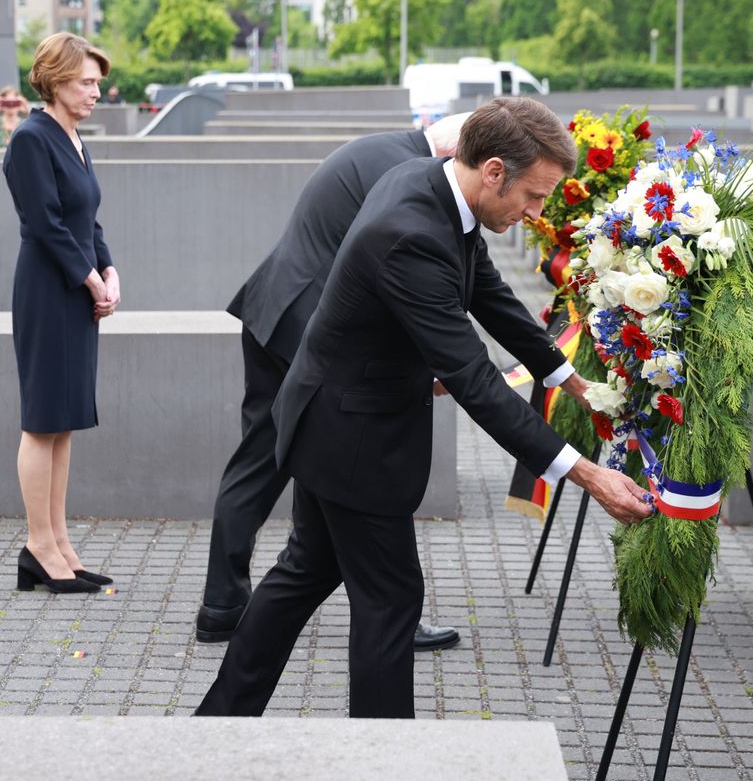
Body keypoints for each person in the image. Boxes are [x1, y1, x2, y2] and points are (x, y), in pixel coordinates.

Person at [196, 97, 653, 719]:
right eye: (534, 196)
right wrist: (588, 473)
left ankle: (220, 720)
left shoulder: (434, 186)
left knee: (304, 571)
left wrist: (566, 376)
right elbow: (473, 379)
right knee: (390, 602)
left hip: (334, 417)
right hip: (352, 434)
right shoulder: (411, 231)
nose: (536, 214)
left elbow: (487, 291)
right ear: (493, 170)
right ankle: (387, 758)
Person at [199, 117, 526, 654]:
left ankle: (224, 606)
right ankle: (385, 605)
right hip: (310, 329)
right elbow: (401, 281)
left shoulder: (386, 151)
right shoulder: (412, 174)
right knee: (340, 478)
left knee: (262, 463)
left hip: (274, 308)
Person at [3, 33, 118, 594]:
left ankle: (60, 542)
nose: (96, 91)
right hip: (49, 292)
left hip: (75, 289)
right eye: (86, 82)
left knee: (64, 422)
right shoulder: (31, 138)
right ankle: (38, 545)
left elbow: (86, 220)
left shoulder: (73, 139)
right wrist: (91, 277)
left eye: (98, 81)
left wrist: (109, 268)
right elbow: (45, 224)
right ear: (54, 80)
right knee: (41, 420)